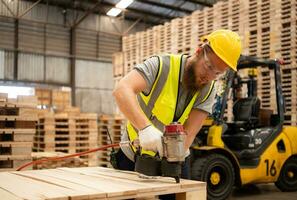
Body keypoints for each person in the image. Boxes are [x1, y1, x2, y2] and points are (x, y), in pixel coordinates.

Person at [112, 29, 242, 181]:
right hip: (132, 155)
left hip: (171, 160)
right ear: (199, 51)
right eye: (209, 66)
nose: (209, 76)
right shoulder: (161, 66)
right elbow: (122, 90)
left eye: (217, 73)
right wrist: (145, 129)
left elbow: (190, 132)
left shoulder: (208, 91)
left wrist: (174, 154)